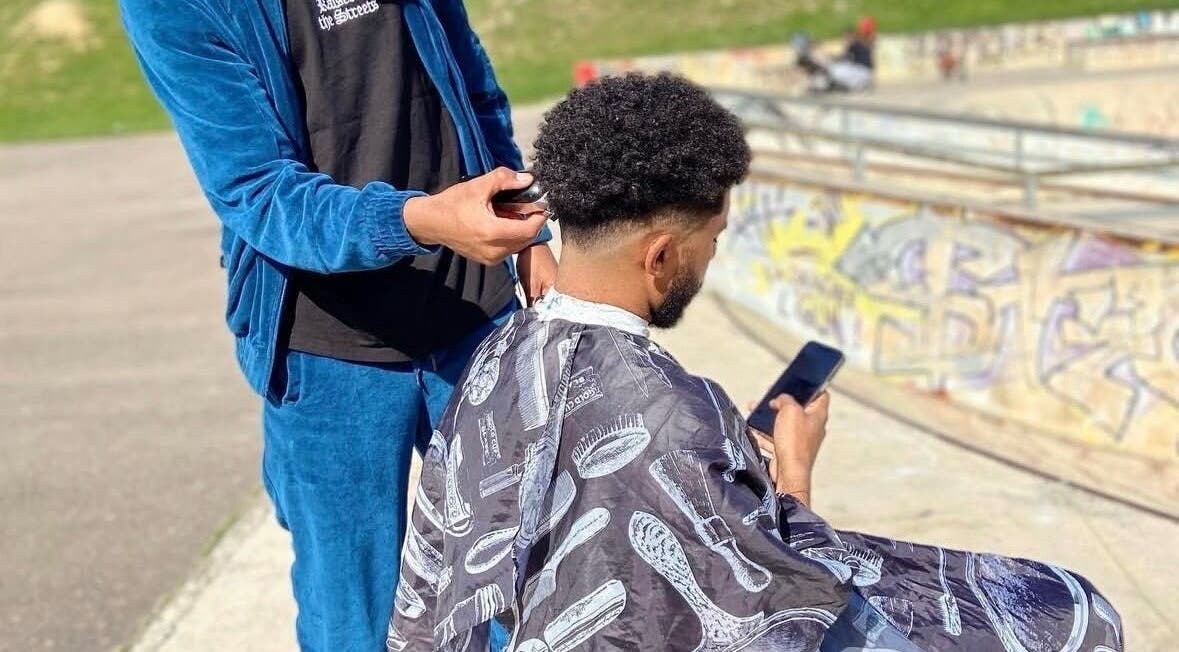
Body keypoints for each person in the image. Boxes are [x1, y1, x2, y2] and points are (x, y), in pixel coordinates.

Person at [387, 74, 1124, 651]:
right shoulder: (670, 412)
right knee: (1073, 613)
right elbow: (771, 613)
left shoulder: (495, 360)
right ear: (660, 255)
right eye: (713, 236)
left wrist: (729, 474)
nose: (712, 253)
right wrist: (793, 476)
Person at [119, 1, 556, 650]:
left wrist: (530, 234)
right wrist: (419, 221)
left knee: (519, 596)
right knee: (352, 621)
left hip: (474, 319)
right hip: (326, 356)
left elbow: (473, 84)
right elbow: (258, 191)